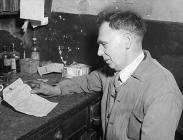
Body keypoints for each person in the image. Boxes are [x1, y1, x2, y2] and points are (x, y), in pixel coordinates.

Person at [31, 10, 183, 140]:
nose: (99, 52)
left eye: (104, 44)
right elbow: (87, 81)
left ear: (127, 42)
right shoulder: (113, 71)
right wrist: (57, 89)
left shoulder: (163, 92)